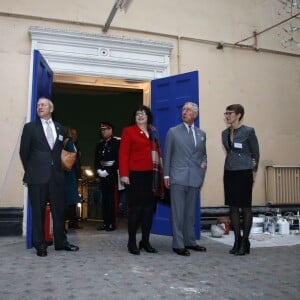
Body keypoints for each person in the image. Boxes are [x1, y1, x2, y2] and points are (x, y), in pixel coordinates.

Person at [19, 97, 79, 257]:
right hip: (37, 177)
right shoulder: (30, 128)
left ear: (51, 109)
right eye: (38, 105)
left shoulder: (60, 128)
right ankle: (40, 244)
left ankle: (61, 242)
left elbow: (60, 151)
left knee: (59, 210)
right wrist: (32, 170)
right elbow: (23, 152)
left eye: (43, 105)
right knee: (38, 211)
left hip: (57, 177)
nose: (39, 107)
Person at [164, 102, 207, 256]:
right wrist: (166, 175)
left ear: (195, 114)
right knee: (177, 212)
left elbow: (203, 154)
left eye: (188, 110)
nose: (185, 112)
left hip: (195, 178)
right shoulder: (173, 132)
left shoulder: (202, 134)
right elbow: (167, 154)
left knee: (190, 213)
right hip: (178, 177)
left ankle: (190, 241)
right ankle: (178, 244)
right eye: (183, 109)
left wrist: (204, 164)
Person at [119, 105, 163, 255]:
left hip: (151, 176)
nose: (140, 116)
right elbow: (123, 154)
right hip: (134, 175)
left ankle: (145, 241)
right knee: (136, 210)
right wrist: (124, 174)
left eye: (143, 113)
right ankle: (131, 242)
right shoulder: (128, 131)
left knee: (148, 210)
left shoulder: (153, 132)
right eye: (137, 114)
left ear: (148, 116)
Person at [222, 104, 259, 255]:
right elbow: (229, 152)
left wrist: (253, 172)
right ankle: (237, 240)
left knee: (245, 207)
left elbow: (255, 153)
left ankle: (245, 241)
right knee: (232, 207)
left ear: (238, 115)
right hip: (229, 172)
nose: (227, 116)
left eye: (230, 113)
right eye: (226, 113)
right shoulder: (224, 133)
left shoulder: (248, 131)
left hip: (244, 173)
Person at [94, 122, 120, 231]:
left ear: (111, 130)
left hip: (112, 175)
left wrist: (108, 171)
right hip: (102, 175)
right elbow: (96, 159)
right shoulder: (100, 144)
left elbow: (118, 160)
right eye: (102, 130)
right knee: (104, 200)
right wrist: (98, 170)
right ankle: (105, 222)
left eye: (106, 129)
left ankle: (111, 224)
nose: (103, 131)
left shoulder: (117, 143)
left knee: (111, 200)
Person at [63, 126, 82, 230]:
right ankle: (66, 224)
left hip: (70, 174)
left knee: (71, 200)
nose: (75, 136)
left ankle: (71, 223)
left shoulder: (71, 144)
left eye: (76, 134)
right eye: (72, 133)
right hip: (68, 174)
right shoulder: (69, 143)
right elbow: (73, 159)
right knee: (69, 200)